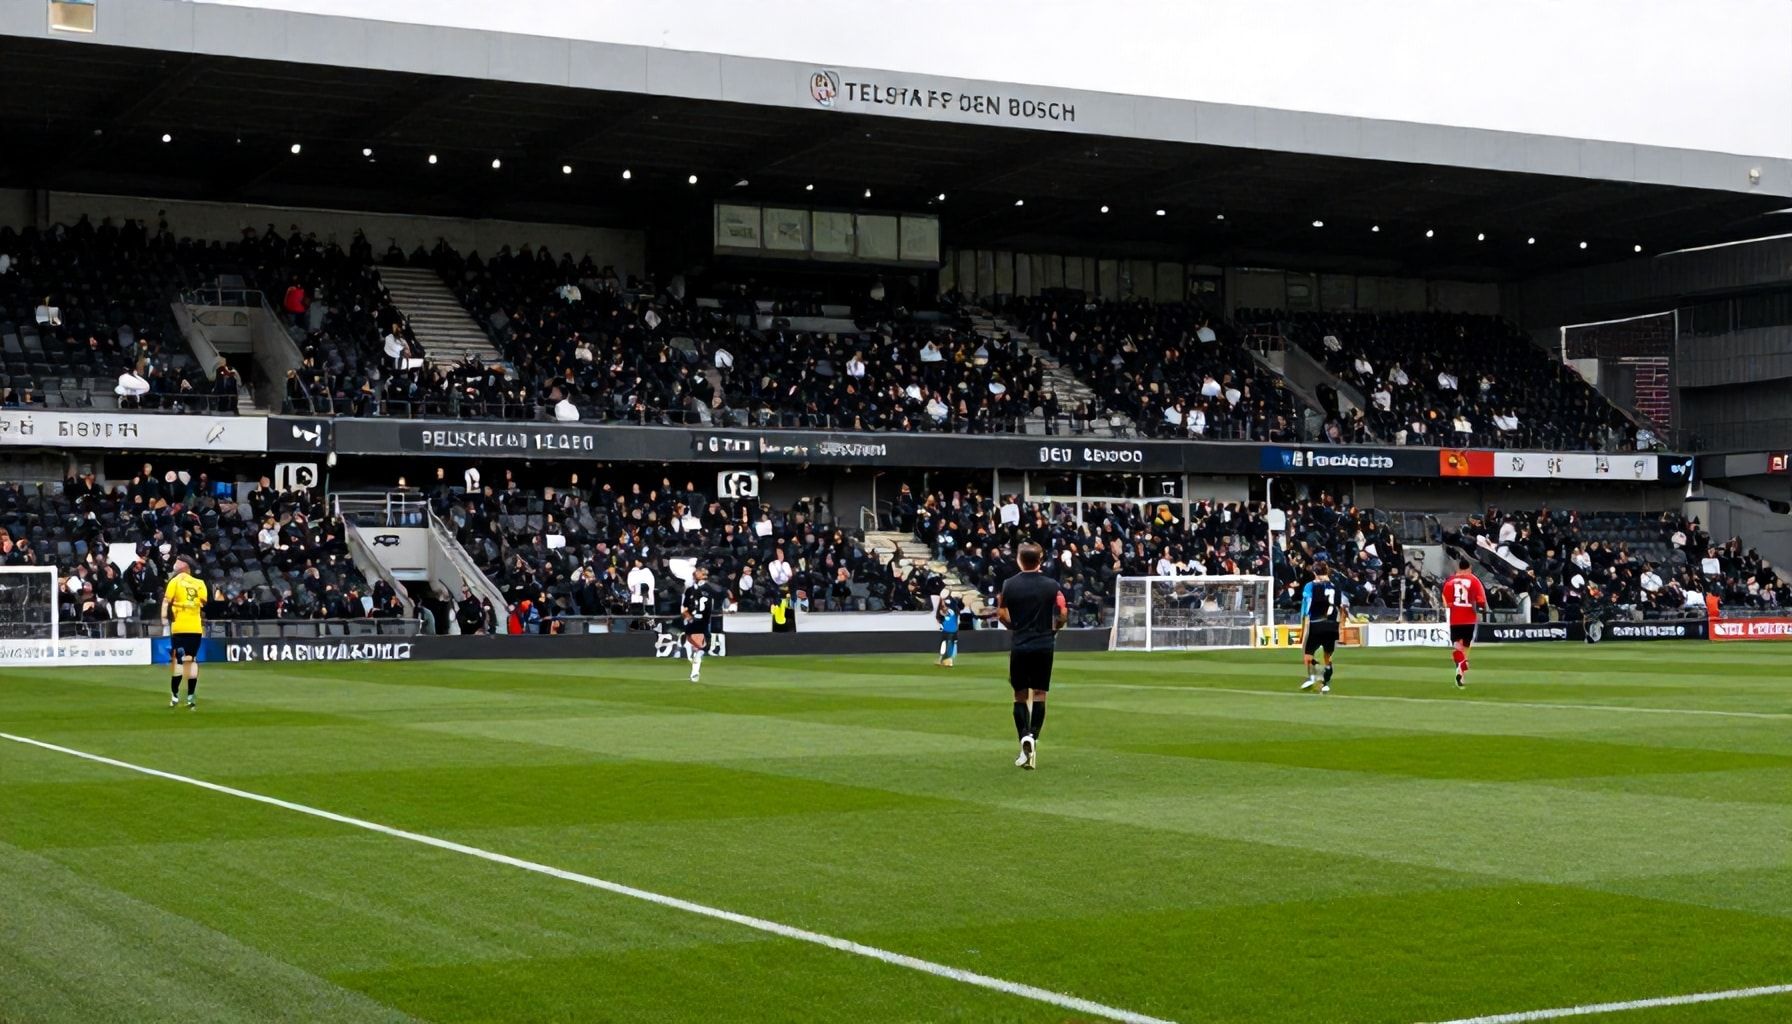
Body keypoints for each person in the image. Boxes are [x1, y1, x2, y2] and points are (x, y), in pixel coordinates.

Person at [996, 543, 1067, 770]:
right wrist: (1055, 628)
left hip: (1020, 644)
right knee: (1039, 694)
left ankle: (1024, 737)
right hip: (1044, 644)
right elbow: (1063, 611)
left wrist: (1014, 626)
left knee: (1019, 695)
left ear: (1019, 559)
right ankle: (1033, 739)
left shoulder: (1009, 585)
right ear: (1040, 559)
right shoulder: (1051, 585)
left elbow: (1001, 613)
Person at [160, 557, 208, 709]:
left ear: (182, 566)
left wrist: (163, 619)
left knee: (179, 661)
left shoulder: (174, 581)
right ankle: (190, 697)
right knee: (192, 660)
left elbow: (166, 601)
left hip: (179, 627)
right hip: (195, 628)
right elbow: (203, 602)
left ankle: (174, 696)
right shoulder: (200, 583)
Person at [1297, 559, 1346, 693]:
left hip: (1316, 624)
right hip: (1331, 625)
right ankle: (1325, 684)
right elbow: (1340, 607)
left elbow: (1305, 609)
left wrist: (1302, 631)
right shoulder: (1336, 586)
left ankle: (1314, 677)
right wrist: (1341, 627)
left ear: (1314, 572)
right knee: (1327, 658)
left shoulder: (1311, 586)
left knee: (1308, 656)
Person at [1443, 558, 1488, 688]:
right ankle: (1463, 669)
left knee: (1457, 647)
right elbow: (1481, 601)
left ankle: (1461, 668)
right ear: (1469, 568)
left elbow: (1446, 602)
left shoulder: (1449, 582)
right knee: (1466, 647)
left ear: (1458, 568)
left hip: (1455, 619)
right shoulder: (1474, 580)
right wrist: (1482, 610)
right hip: (1469, 619)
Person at [680, 566, 717, 682]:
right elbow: (684, 607)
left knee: (702, 648)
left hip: (703, 621)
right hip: (695, 621)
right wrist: (688, 617)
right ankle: (695, 671)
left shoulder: (708, 589)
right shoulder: (691, 590)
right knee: (701, 648)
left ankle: (694, 668)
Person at [936, 591, 963, 668]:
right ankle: (943, 659)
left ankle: (948, 660)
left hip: (951, 630)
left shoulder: (951, 607)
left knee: (949, 644)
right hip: (947, 629)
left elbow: (944, 612)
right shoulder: (951, 606)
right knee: (944, 645)